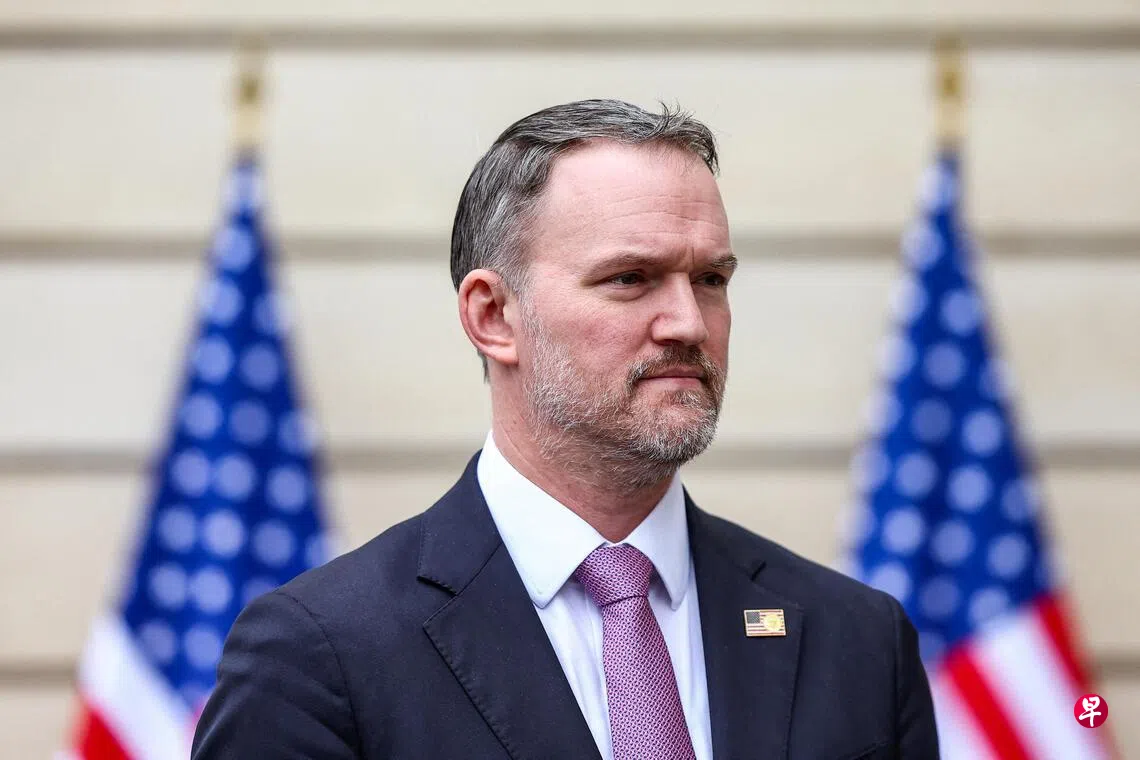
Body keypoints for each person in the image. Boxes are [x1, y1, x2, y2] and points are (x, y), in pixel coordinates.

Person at [192, 99, 939, 759]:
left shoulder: (858, 638)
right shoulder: (322, 653)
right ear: (494, 316)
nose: (688, 323)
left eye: (710, 279)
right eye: (630, 279)